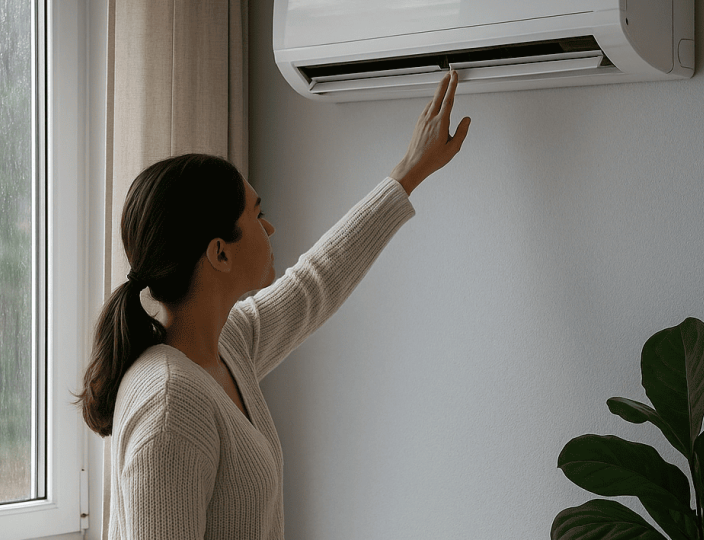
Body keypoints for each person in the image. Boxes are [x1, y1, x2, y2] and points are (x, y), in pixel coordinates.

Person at [77, 71, 471, 539]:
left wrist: (410, 172)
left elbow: (315, 282)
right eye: (257, 214)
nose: (270, 229)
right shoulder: (170, 407)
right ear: (219, 252)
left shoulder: (227, 343)